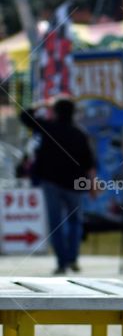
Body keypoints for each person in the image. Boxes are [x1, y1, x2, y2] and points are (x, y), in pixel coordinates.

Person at [20, 97, 95, 275]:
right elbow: (89, 163)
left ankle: (62, 262)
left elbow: (24, 116)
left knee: (56, 223)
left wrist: (41, 104)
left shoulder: (48, 128)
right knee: (75, 221)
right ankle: (73, 258)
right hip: (75, 184)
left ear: (55, 111)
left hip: (51, 183)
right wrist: (92, 184)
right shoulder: (80, 133)